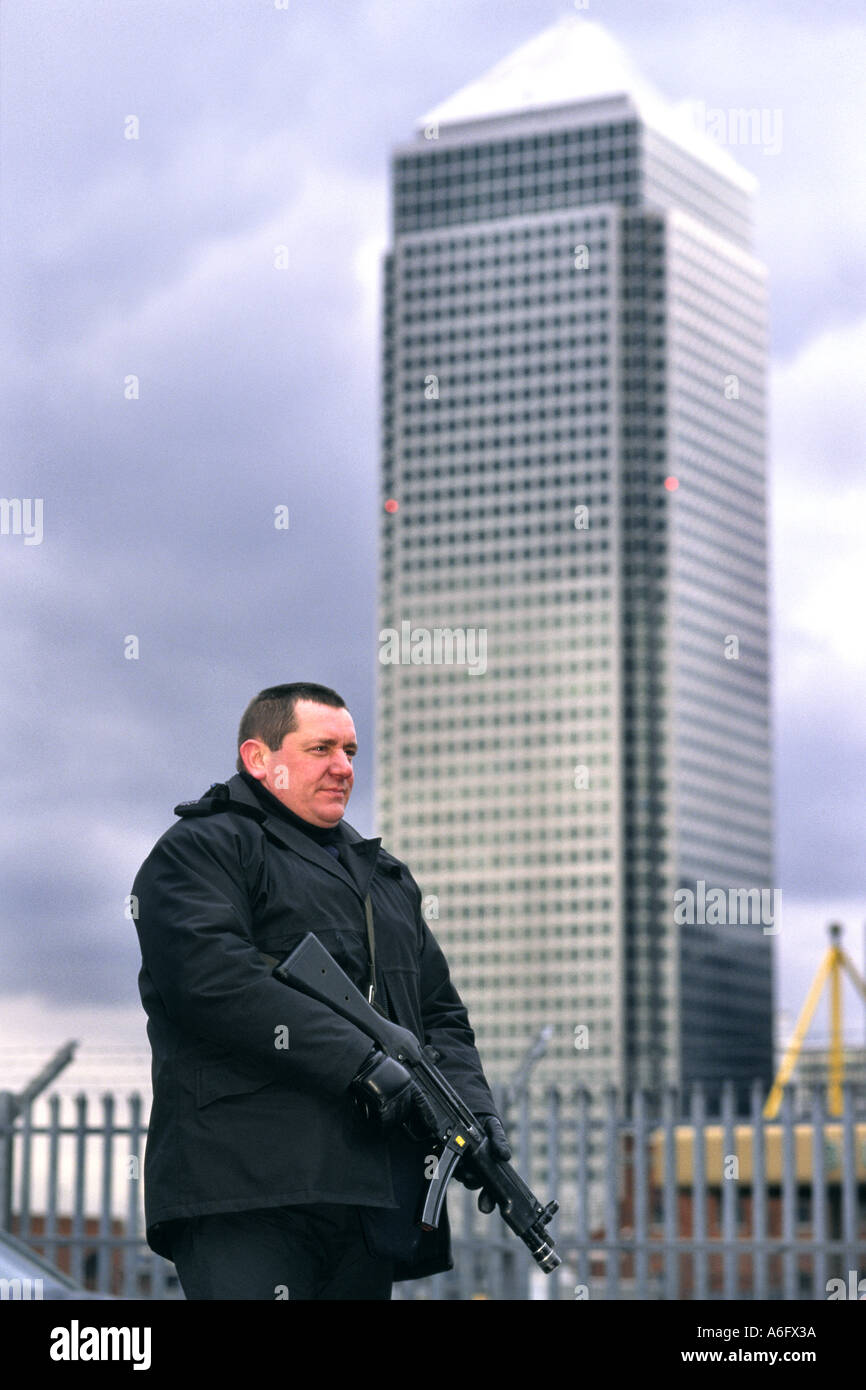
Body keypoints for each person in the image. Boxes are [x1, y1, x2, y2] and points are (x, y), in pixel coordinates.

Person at [131, 681, 509, 1300]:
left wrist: (472, 1109)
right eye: (321, 749)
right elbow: (211, 979)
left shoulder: (385, 879)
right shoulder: (205, 846)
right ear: (259, 759)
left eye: (352, 752)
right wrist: (363, 1063)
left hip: (367, 1198)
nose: (343, 767)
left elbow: (441, 1017)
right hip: (249, 1188)